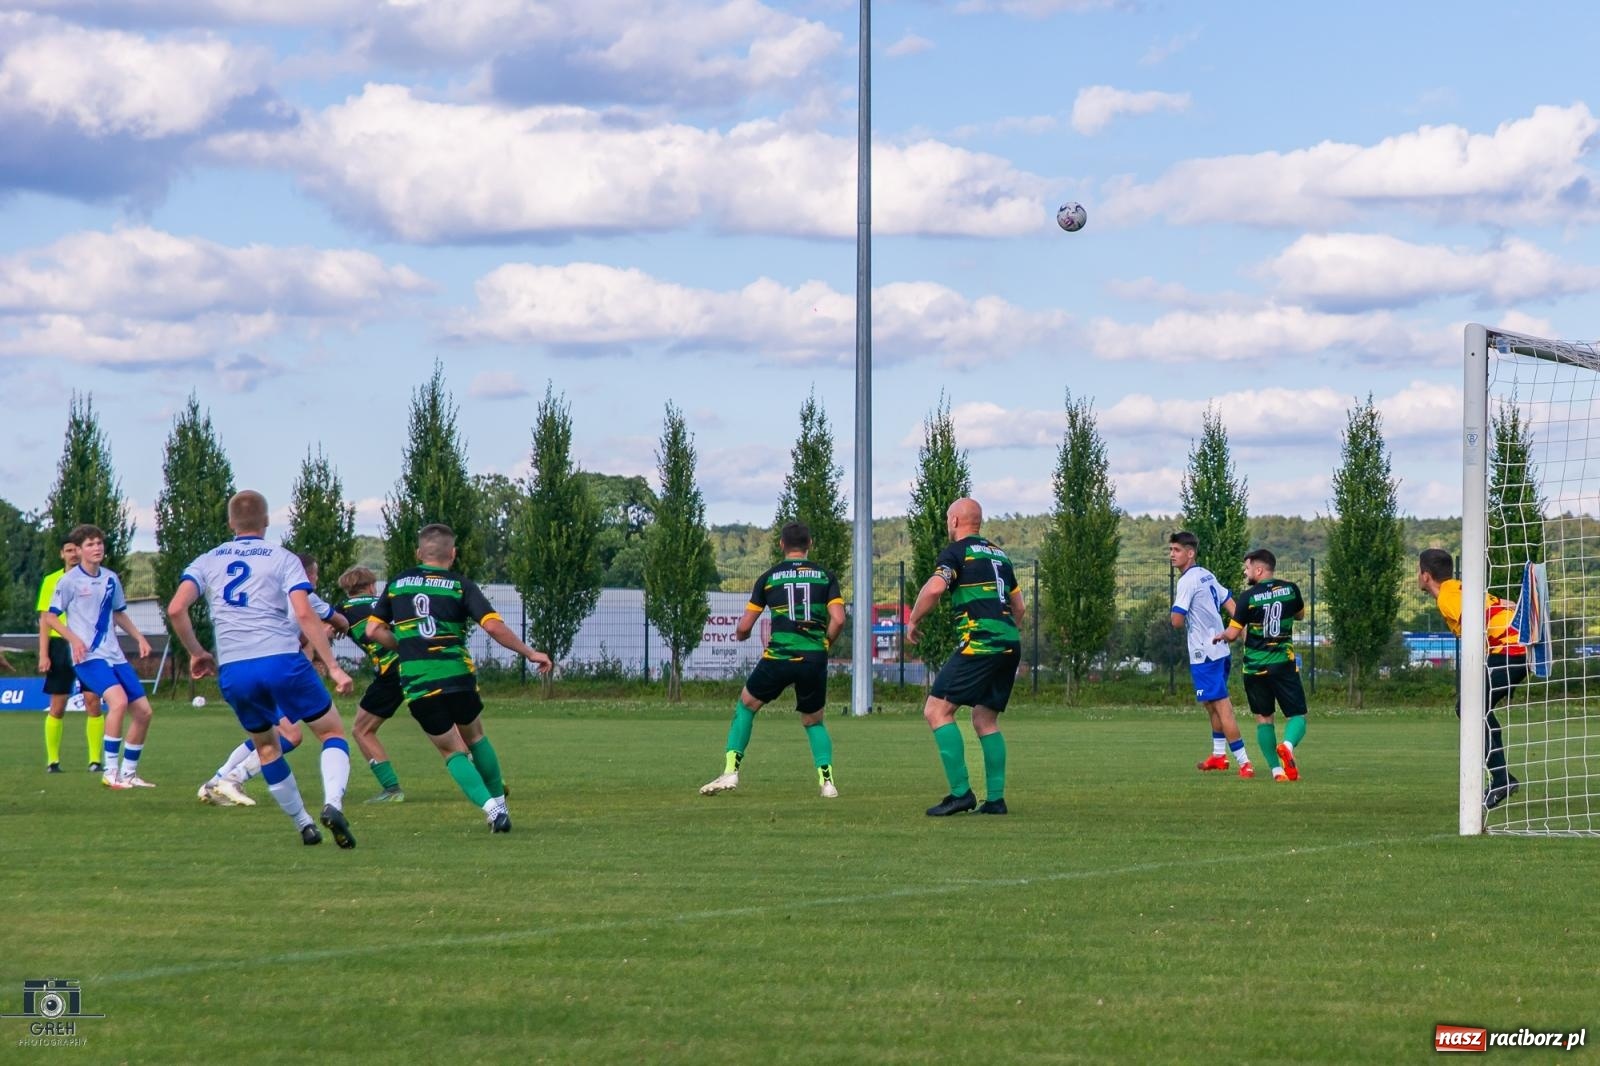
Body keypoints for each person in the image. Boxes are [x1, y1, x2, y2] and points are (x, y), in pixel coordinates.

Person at [167, 490, 358, 847]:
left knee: (268, 748)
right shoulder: (282, 558)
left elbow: (177, 609)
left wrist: (197, 652)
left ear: (230, 524)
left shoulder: (208, 560)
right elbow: (304, 612)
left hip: (235, 670)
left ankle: (303, 824)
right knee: (331, 733)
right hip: (281, 660)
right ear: (267, 521)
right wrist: (333, 667)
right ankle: (332, 804)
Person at [363, 523, 553, 833]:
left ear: (418, 553)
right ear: (453, 554)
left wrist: (407, 646)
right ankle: (500, 807)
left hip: (419, 682)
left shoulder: (397, 584)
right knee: (475, 737)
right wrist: (530, 653)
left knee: (451, 750)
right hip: (458, 676)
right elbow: (493, 627)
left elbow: (372, 630)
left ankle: (492, 810)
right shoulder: (460, 585)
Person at [700, 522, 846, 798]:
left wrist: (741, 635)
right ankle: (827, 782)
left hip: (778, 657)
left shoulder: (768, 578)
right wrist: (824, 643)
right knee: (814, 721)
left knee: (746, 705)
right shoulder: (826, 577)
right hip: (813, 658)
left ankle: (731, 770)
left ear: (781, 545)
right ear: (809, 544)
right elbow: (838, 619)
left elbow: (744, 627)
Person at [196, 553, 348, 808]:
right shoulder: (306, 596)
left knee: (267, 732)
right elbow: (338, 619)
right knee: (292, 734)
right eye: (316, 573)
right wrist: (339, 627)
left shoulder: (265, 594)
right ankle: (233, 778)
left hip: (242, 667)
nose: (316, 579)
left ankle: (217, 779)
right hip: (279, 669)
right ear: (308, 575)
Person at [907, 498, 1024, 817]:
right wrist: (1004, 633)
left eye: (948, 518)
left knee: (936, 710)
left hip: (980, 641)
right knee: (985, 718)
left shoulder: (956, 553)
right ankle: (996, 800)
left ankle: (961, 794)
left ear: (956, 521)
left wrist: (914, 619)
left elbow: (933, 590)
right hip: (1010, 641)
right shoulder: (1000, 556)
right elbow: (1020, 608)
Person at [46, 524, 155, 789]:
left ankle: (129, 773)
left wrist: (139, 637)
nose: (96, 548)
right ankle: (110, 771)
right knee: (117, 703)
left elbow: (118, 613)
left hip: (114, 655)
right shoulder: (69, 581)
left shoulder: (110, 579)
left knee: (144, 712)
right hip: (88, 658)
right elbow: (50, 617)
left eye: (99, 543)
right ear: (80, 550)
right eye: (90, 544)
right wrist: (74, 639)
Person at [1418, 548, 1524, 809]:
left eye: (1418, 573)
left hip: (1508, 651)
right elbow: (1497, 606)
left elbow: (1477, 623)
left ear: (1426, 575)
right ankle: (1502, 777)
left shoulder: (1447, 597)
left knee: (1470, 708)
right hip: (1516, 648)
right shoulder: (1461, 587)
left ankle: (1501, 780)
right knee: (1477, 709)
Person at [1214, 548, 1307, 782]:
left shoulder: (1247, 597)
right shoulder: (1291, 590)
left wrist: (1222, 635)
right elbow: (1300, 616)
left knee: (1264, 718)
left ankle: (1277, 772)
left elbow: (1234, 634)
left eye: (1247, 568)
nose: (1245, 572)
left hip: (1254, 668)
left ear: (1259, 569)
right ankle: (1287, 745)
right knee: (1297, 715)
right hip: (1283, 664)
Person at [1168, 531, 1253, 777]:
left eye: (1177, 550)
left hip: (1204, 654)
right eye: (1171, 550)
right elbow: (1230, 603)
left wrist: (1177, 614)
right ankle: (1218, 756)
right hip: (1220, 650)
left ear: (1190, 553)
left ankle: (1244, 762)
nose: (1172, 555)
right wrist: (1241, 633)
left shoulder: (1187, 581)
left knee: (1222, 706)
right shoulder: (1206, 574)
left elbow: (1176, 620)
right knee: (1211, 704)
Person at [335, 565, 408, 803]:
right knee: (445, 723)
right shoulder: (385, 604)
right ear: (371, 586)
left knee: (362, 730)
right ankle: (490, 781)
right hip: (417, 664)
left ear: (348, 589)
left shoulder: (344, 609)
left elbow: (321, 631)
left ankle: (392, 789)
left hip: (391, 672)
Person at [36, 536, 104, 773]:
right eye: (69, 550)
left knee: (92, 701)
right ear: (61, 554)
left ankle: (95, 761)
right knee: (57, 704)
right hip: (59, 646)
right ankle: (53, 761)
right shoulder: (52, 581)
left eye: (77, 549)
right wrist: (44, 654)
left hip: (87, 645)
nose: (73, 554)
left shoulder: (96, 579)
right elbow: (45, 620)